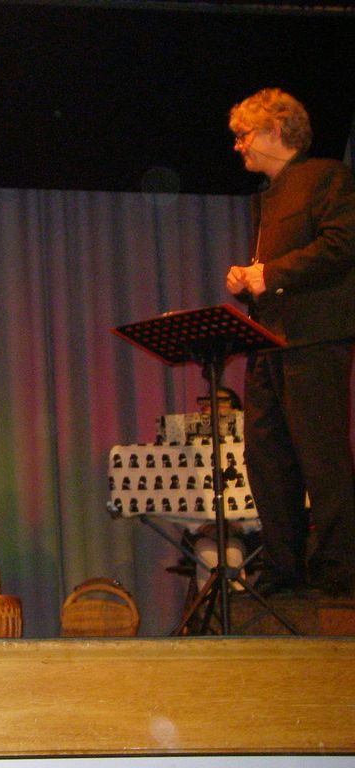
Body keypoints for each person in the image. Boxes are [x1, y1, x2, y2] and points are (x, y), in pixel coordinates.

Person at [224, 88, 355, 598]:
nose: (238, 145)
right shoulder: (265, 197)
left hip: (314, 339)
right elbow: (272, 273)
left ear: (275, 130)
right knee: (267, 458)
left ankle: (340, 570)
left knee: (321, 457)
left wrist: (269, 274)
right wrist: (249, 279)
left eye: (243, 134)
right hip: (267, 343)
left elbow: (342, 243)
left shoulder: (328, 177)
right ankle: (283, 569)